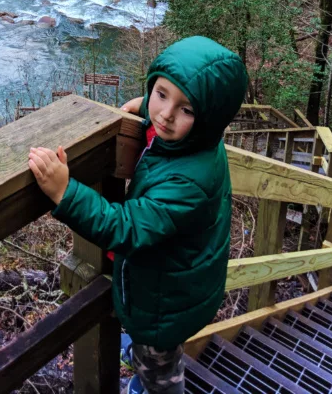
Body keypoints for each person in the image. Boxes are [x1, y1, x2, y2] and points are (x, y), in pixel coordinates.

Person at [29, 35, 248, 394]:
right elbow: (167, 112)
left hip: (164, 306)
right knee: (151, 356)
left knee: (159, 369)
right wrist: (146, 106)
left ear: (208, 119)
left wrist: (64, 192)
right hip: (172, 283)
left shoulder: (189, 181)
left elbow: (127, 227)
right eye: (161, 94)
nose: (165, 114)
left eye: (186, 109)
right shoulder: (194, 143)